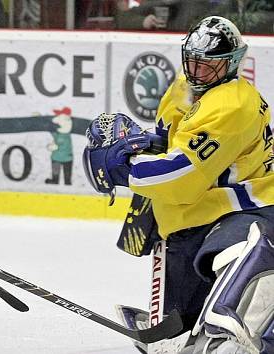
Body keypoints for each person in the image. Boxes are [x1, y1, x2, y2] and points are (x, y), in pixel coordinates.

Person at [83, 16, 274, 353]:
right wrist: (136, 145)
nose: (197, 72)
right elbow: (168, 140)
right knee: (181, 318)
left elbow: (181, 175)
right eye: (193, 62)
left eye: (208, 66)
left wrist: (124, 167)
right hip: (208, 206)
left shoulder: (233, 105)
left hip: (253, 205)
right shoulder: (183, 87)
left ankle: (233, 329)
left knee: (239, 249)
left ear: (230, 64)